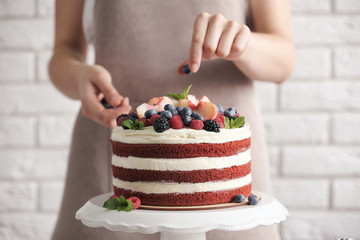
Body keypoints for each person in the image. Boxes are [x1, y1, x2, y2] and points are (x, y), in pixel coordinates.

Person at [49, 0, 295, 239]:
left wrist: (244, 45)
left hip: (222, 149)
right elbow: (64, 49)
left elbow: (283, 61)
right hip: (118, 136)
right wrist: (79, 76)